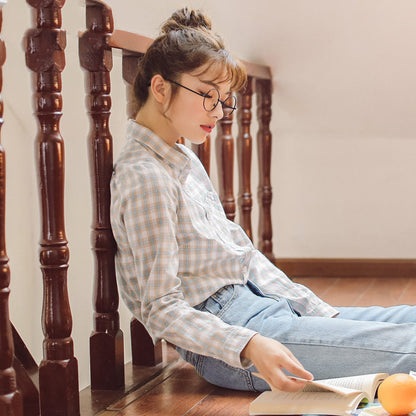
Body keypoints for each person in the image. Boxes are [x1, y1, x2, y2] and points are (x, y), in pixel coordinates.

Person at [110, 7, 416, 393]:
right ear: (159, 88)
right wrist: (249, 345)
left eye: (223, 99)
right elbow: (161, 309)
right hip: (235, 340)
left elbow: (241, 253)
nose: (219, 112)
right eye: (207, 95)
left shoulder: (182, 158)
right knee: (410, 349)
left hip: (261, 305)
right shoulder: (144, 177)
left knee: (409, 318)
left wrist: (321, 313)